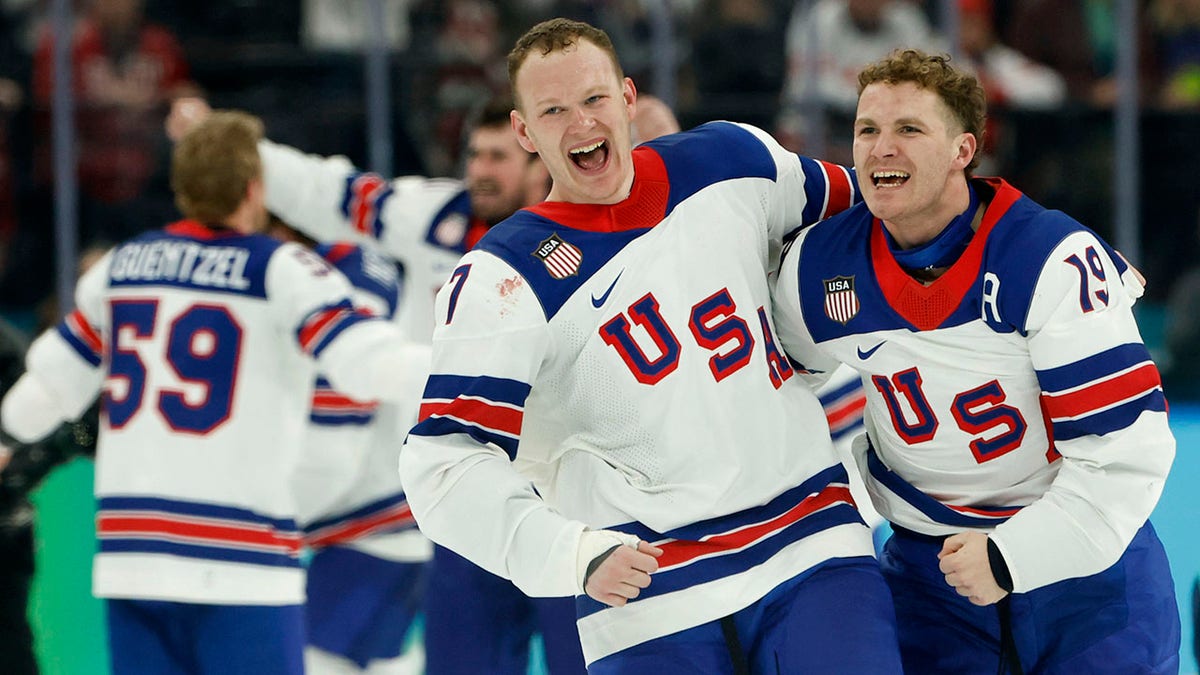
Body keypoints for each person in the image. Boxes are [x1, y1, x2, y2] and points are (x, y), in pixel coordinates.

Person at [399, 17, 902, 673]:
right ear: (524, 132)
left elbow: (879, 218)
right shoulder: (503, 277)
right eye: (553, 110)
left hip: (810, 544)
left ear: (628, 97)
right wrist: (569, 552)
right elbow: (441, 461)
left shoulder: (732, 161)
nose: (580, 123)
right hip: (648, 590)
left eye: (593, 98)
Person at [772, 48, 1180, 673]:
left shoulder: (1048, 259)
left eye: (909, 129)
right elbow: (771, 384)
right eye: (867, 129)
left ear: (963, 150)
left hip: (1086, 572)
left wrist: (1012, 557)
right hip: (930, 580)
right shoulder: (818, 266)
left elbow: (1127, 453)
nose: (882, 148)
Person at [167, 94, 590, 674]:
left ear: (540, 162)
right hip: (467, 488)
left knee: (586, 663)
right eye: (474, 155)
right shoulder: (434, 217)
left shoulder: (595, 230)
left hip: (570, 495)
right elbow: (325, 190)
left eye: (498, 157)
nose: (480, 171)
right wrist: (228, 144)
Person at [0, 110, 428, 675]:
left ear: (180, 187)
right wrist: (474, 369)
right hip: (242, 559)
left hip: (134, 554)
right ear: (255, 188)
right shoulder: (284, 270)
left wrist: (7, 437)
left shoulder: (122, 266)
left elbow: (45, 390)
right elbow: (368, 364)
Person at [267, 218, 430, 674]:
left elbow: (337, 430)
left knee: (315, 663)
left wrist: (274, 517)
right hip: (385, 521)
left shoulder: (343, 272)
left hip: (371, 520)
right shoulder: (352, 265)